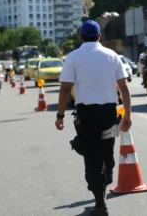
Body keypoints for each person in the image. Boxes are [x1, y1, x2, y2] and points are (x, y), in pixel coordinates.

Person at [55, 20, 132, 216]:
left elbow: (65, 89)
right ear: (100, 36)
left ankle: (100, 203)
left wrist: (60, 115)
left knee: (91, 156)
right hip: (109, 114)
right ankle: (103, 190)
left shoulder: (73, 57)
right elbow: (124, 88)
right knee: (106, 152)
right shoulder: (112, 56)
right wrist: (128, 116)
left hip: (87, 116)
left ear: (81, 36)